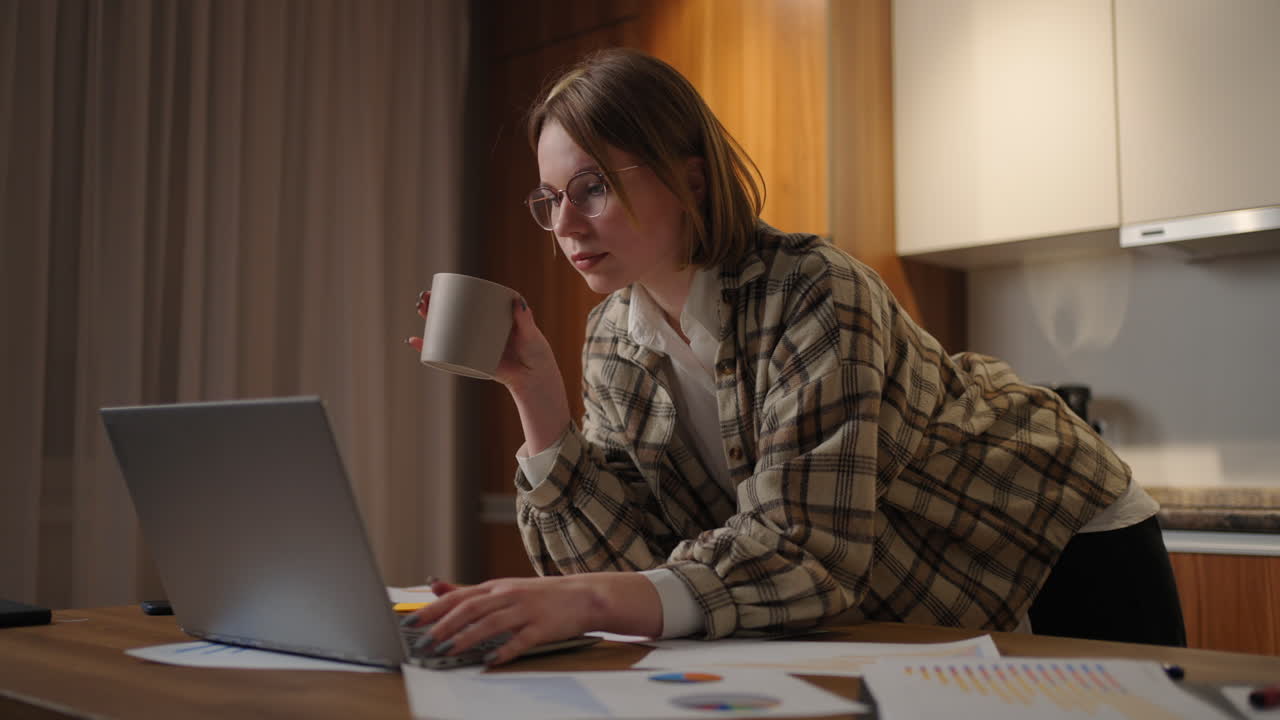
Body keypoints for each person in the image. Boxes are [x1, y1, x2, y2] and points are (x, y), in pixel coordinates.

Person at [404, 48, 1185, 666]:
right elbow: (627, 564)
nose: (566, 224)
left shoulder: (813, 291)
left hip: (1050, 535)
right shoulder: (613, 337)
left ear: (691, 181)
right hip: (898, 595)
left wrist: (590, 604)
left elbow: (806, 547)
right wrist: (537, 394)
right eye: (549, 199)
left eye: (592, 187)